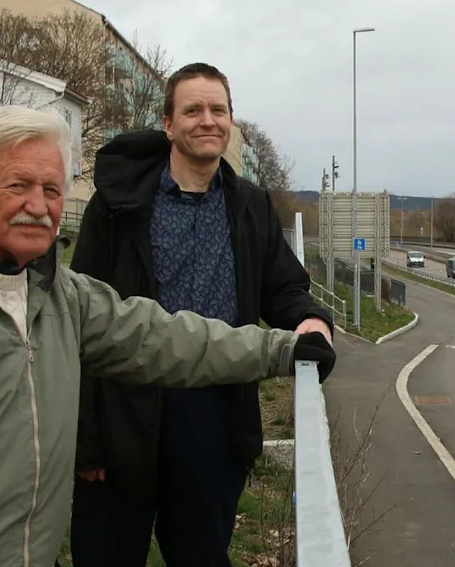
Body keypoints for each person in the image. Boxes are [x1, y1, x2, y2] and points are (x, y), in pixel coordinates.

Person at [0, 105, 336, 567]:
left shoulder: (58, 294)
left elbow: (163, 338)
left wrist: (285, 348)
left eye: (51, 189)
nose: (38, 205)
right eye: (17, 185)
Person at [67, 62, 334, 567]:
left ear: (231, 121)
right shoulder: (118, 206)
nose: (207, 120)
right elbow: (78, 319)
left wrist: (311, 321)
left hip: (214, 417)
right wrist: (88, 442)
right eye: (193, 110)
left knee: (201, 556)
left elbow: (282, 285)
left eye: (219, 109)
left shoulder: (248, 204)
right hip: (127, 410)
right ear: (168, 123)